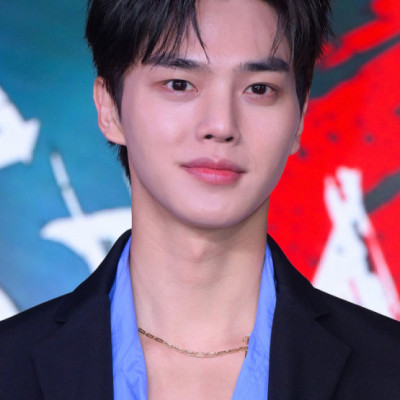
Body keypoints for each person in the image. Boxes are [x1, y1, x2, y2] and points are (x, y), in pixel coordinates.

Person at [1, 0, 400, 399]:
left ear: (299, 116)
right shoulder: (9, 364)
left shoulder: (388, 366)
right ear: (110, 108)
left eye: (259, 89)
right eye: (179, 84)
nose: (221, 125)